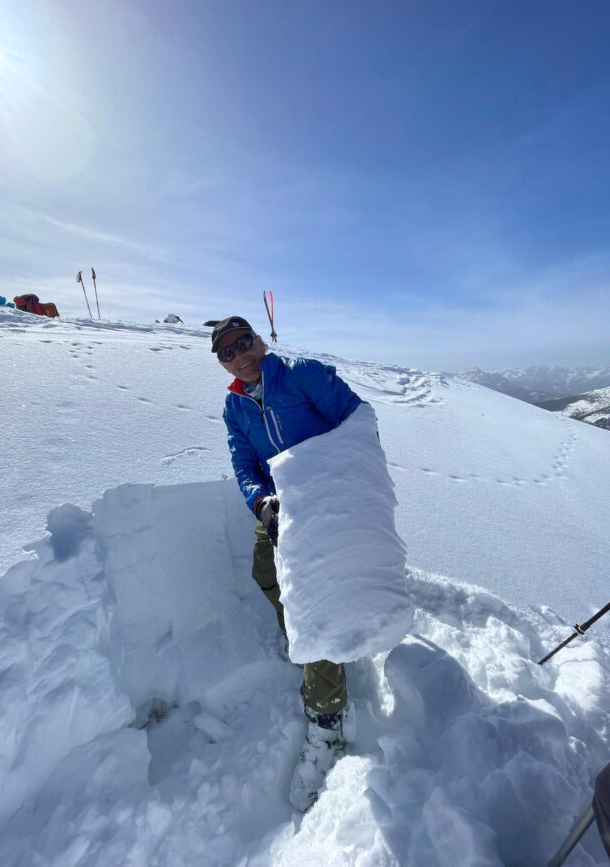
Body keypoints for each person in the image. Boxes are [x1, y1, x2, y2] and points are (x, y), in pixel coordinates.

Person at [212, 315, 362, 812]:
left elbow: (359, 423)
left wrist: (341, 490)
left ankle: (328, 717)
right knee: (266, 574)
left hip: (327, 503)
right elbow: (244, 464)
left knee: (309, 598)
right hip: (280, 510)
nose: (240, 355)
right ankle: (308, 642)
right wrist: (262, 503)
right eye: (228, 352)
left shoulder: (301, 375)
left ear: (259, 340)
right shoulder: (235, 405)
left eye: (244, 342)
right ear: (222, 363)